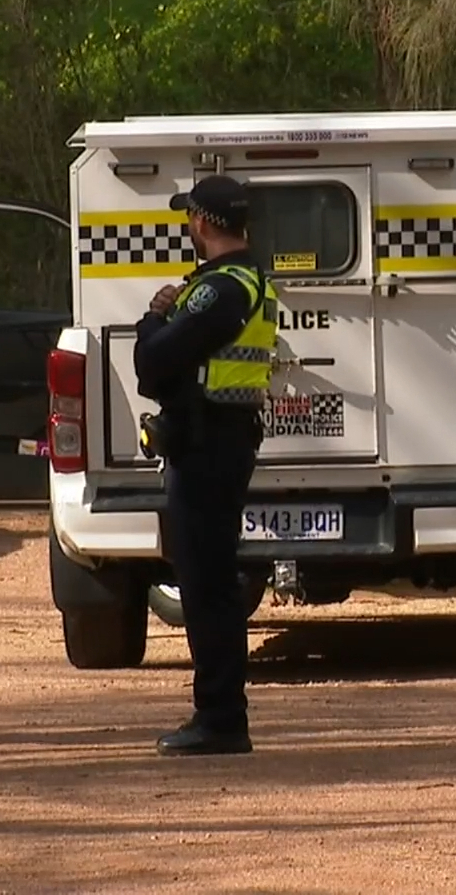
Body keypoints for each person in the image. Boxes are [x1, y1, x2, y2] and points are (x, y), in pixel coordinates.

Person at [133, 174, 277, 757]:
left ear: (201, 222)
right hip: (220, 441)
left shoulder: (219, 290)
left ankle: (220, 718)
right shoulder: (246, 280)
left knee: (205, 585)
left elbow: (152, 365)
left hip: (206, 446)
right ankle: (220, 713)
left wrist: (153, 319)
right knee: (210, 580)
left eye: (189, 218)